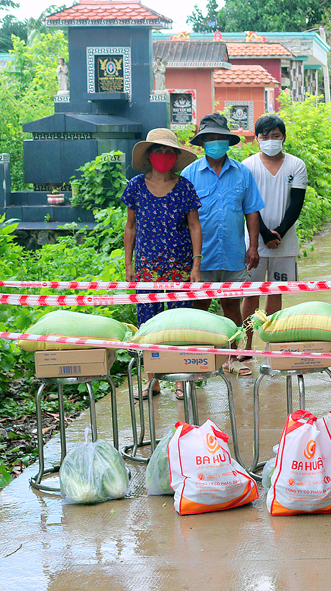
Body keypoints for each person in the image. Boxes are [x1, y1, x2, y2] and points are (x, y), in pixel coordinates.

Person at [181, 113, 265, 377]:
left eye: (220, 137)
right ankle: (198, 361)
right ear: (202, 142)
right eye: (210, 138)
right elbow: (182, 218)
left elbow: (251, 212)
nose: (215, 142)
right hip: (200, 258)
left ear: (228, 141)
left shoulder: (242, 173)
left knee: (231, 306)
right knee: (199, 309)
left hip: (232, 253)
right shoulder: (189, 174)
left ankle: (233, 358)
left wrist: (253, 246)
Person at [122, 127, 201, 399]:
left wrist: (196, 265)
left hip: (180, 266)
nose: (164, 156)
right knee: (148, 324)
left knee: (179, 323)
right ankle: (152, 380)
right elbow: (130, 227)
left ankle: (179, 379)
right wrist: (129, 264)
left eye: (169, 152)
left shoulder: (184, 187)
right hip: (146, 267)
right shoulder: (135, 186)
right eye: (159, 151)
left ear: (175, 157)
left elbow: (194, 226)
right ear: (149, 155)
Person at [239, 114, 308, 358]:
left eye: (275, 136)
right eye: (265, 136)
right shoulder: (247, 166)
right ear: (257, 139)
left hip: (284, 242)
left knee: (275, 292)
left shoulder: (296, 165)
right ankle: (246, 347)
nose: (270, 140)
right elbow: (248, 204)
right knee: (251, 294)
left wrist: (279, 233)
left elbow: (296, 203)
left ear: (283, 137)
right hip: (254, 243)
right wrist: (265, 235)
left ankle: (271, 346)